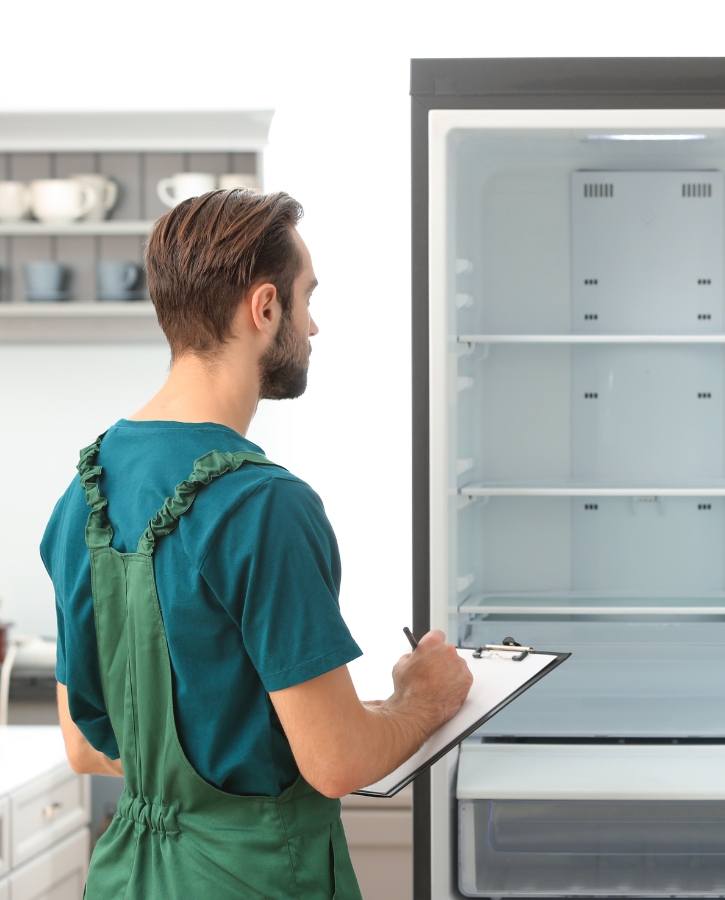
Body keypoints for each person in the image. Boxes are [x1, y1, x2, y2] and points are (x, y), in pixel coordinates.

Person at [41, 190, 472, 899]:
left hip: (125, 881)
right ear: (263, 307)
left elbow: (87, 745)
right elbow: (334, 763)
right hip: (258, 880)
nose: (314, 324)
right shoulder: (263, 504)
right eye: (307, 299)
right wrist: (423, 698)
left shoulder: (82, 493)